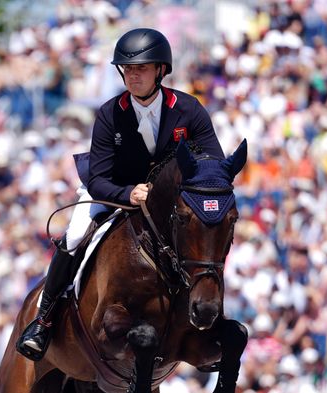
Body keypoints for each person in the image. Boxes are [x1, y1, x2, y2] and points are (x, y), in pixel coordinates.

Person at [17, 28, 224, 360]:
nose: (133, 75)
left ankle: (203, 312)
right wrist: (128, 193)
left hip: (169, 202)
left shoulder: (189, 110)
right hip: (112, 192)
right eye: (127, 69)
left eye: (141, 68)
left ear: (160, 70)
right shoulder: (110, 113)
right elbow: (97, 179)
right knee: (73, 236)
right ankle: (43, 319)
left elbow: (212, 163)